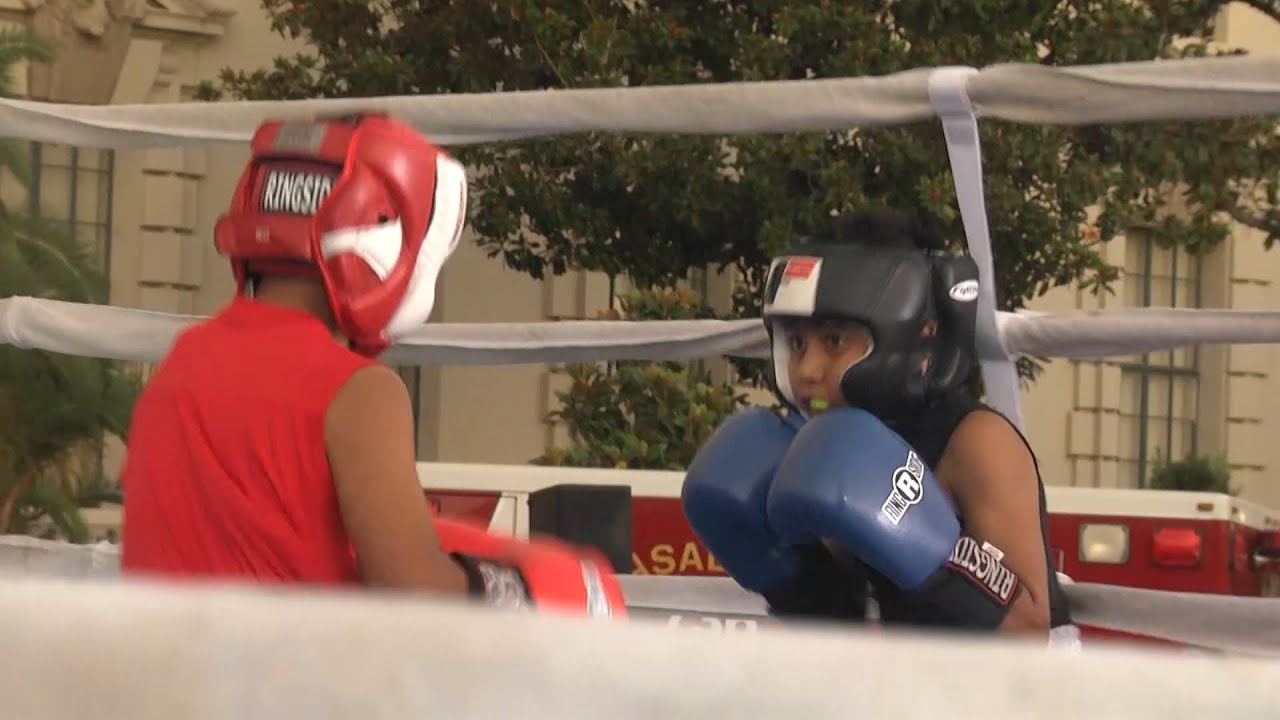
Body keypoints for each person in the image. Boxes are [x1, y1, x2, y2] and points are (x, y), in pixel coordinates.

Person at [120, 113, 623, 616]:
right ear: (386, 238)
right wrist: (529, 591)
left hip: (161, 683)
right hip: (282, 686)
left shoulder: (180, 364)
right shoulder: (357, 393)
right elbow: (414, 588)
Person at [683, 208, 1076, 645]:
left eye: (834, 341)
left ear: (915, 335)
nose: (808, 369)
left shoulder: (975, 441)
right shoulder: (815, 450)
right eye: (796, 343)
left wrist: (932, 548)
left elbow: (1029, 629)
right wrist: (791, 578)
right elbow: (842, 625)